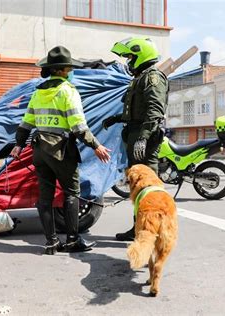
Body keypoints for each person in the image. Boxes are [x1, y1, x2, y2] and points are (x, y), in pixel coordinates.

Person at [10, 46, 111, 255]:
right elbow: (78, 126)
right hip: (61, 151)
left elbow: (26, 123)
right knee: (71, 193)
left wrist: (18, 145)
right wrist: (96, 145)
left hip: (40, 151)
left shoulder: (39, 92)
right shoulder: (68, 91)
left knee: (45, 197)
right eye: (69, 67)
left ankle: (51, 242)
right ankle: (73, 240)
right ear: (64, 69)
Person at [102, 37, 169, 241]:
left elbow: (154, 111)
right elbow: (136, 111)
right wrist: (117, 118)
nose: (128, 62)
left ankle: (151, 232)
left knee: (148, 189)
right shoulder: (140, 78)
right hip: (136, 137)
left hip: (145, 141)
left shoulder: (153, 77)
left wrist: (143, 138)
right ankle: (138, 228)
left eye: (130, 57)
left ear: (141, 55)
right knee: (137, 189)